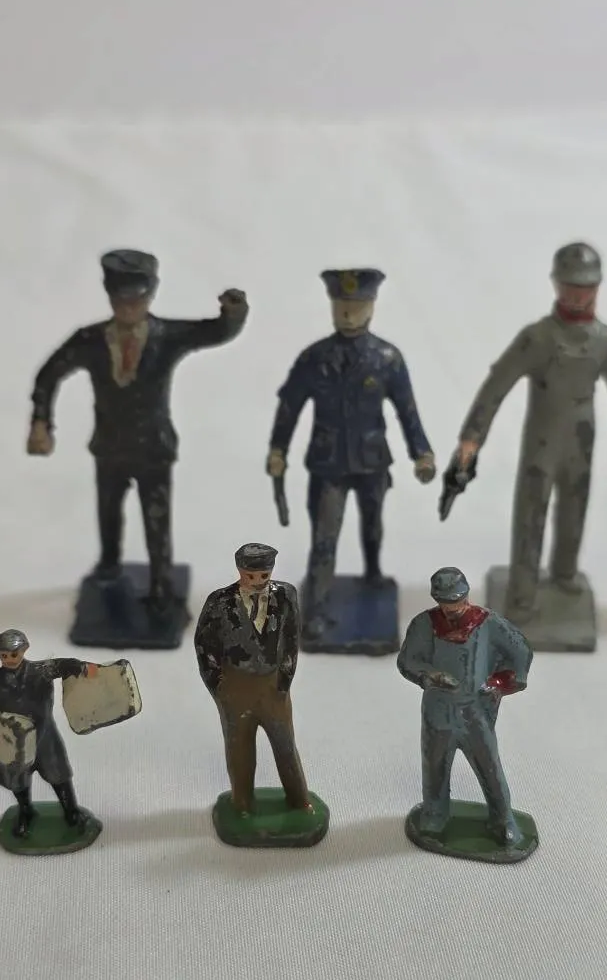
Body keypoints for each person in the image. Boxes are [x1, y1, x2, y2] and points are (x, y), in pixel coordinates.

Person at [29, 250, 249, 609]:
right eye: (120, 300)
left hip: (153, 448)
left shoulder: (168, 336)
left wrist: (233, 313)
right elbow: (49, 374)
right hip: (109, 446)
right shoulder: (89, 340)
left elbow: (212, 332)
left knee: (156, 517)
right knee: (108, 512)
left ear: (151, 295)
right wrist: (41, 420)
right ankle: (109, 566)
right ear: (109, 296)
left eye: (137, 300)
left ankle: (161, 581)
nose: (129, 308)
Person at [454, 242, 607, 620]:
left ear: (598, 287)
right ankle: (523, 591)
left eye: (586, 287)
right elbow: (498, 384)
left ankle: (565, 572)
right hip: (542, 440)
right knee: (531, 511)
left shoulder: (605, 340)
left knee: (575, 506)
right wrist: (473, 435)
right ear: (556, 284)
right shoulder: (538, 337)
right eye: (570, 286)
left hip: (581, 438)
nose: (578, 295)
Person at [268, 268, 435, 638]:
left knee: (373, 525)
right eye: (341, 305)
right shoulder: (314, 358)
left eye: (357, 306)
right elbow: (289, 406)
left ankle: (373, 573)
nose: (347, 313)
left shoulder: (387, 358)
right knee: (324, 537)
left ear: (371, 306)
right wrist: (278, 448)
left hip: (372, 459)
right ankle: (317, 609)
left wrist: (421, 453)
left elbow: (407, 409)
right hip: (328, 463)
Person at [396, 567, 532, 847]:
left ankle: (503, 819)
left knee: (489, 767)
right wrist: (430, 675)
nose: (453, 609)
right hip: (437, 711)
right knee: (435, 766)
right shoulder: (425, 625)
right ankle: (435, 814)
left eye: (457, 601)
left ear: (466, 596)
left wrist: (500, 682)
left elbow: (520, 651)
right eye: (446, 602)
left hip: (474, 713)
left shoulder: (488, 623)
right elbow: (408, 660)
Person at [192, 543, 310, 817]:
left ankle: (299, 801)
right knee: (239, 749)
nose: (257, 582)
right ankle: (242, 804)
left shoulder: (285, 595)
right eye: (251, 576)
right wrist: (218, 685)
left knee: (285, 745)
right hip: (235, 687)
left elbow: (292, 639)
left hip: (272, 688)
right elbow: (204, 644)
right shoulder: (219, 602)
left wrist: (284, 681)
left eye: (264, 576)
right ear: (240, 571)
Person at [0, 630, 100, 837]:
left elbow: (64, 664)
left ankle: (71, 812)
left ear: (24, 650)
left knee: (59, 776)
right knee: (17, 780)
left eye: (13, 654)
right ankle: (26, 812)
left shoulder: (41, 671)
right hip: (12, 740)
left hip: (44, 738)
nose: (9, 659)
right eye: (3, 655)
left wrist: (85, 668)